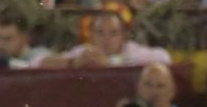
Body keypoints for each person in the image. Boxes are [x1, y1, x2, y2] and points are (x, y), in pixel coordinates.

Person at [40, 7, 172, 67]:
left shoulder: (132, 50)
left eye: (113, 33)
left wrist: (110, 62)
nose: (106, 39)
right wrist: (73, 63)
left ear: (124, 36)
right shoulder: (85, 52)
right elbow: (37, 62)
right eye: (100, 32)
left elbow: (164, 57)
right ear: (91, 36)